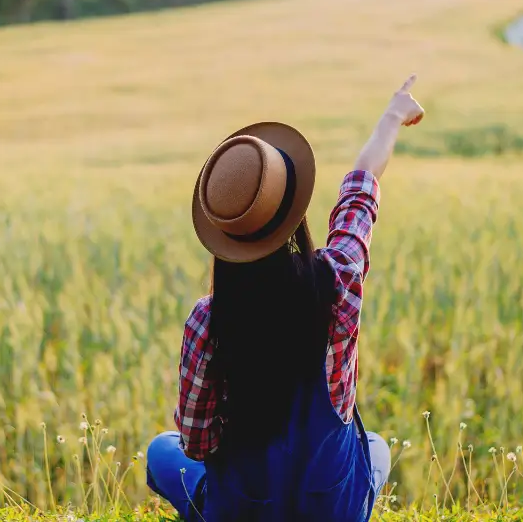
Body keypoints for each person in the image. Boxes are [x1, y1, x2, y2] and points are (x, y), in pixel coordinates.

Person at [146, 76, 426, 522]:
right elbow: (361, 189)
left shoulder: (209, 319)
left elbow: (196, 443)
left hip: (242, 511)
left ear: (224, 238)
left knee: (161, 450)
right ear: (293, 215)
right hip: (333, 510)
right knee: (375, 447)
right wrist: (392, 117)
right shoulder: (338, 282)